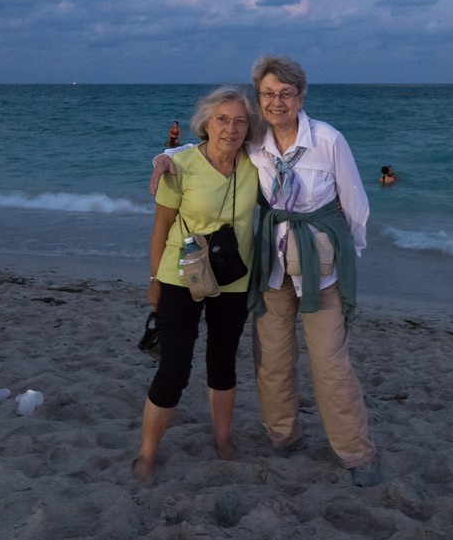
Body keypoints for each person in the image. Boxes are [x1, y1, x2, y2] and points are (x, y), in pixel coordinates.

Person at [150, 56, 381, 487]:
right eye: (269, 94)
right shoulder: (256, 142)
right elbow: (207, 146)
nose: (277, 102)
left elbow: (356, 208)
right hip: (272, 269)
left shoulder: (328, 140)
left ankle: (356, 454)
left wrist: (345, 261)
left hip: (322, 271)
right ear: (259, 98)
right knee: (271, 361)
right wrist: (165, 154)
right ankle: (283, 437)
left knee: (330, 365)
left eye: (286, 93)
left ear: (301, 96)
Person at [134, 86, 260, 485]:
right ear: (206, 123)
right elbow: (161, 227)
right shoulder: (181, 164)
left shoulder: (257, 165)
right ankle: (147, 455)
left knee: (222, 362)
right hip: (179, 274)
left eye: (240, 120)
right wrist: (154, 279)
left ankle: (223, 440)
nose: (231, 128)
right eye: (222, 119)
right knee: (174, 367)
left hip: (234, 277)